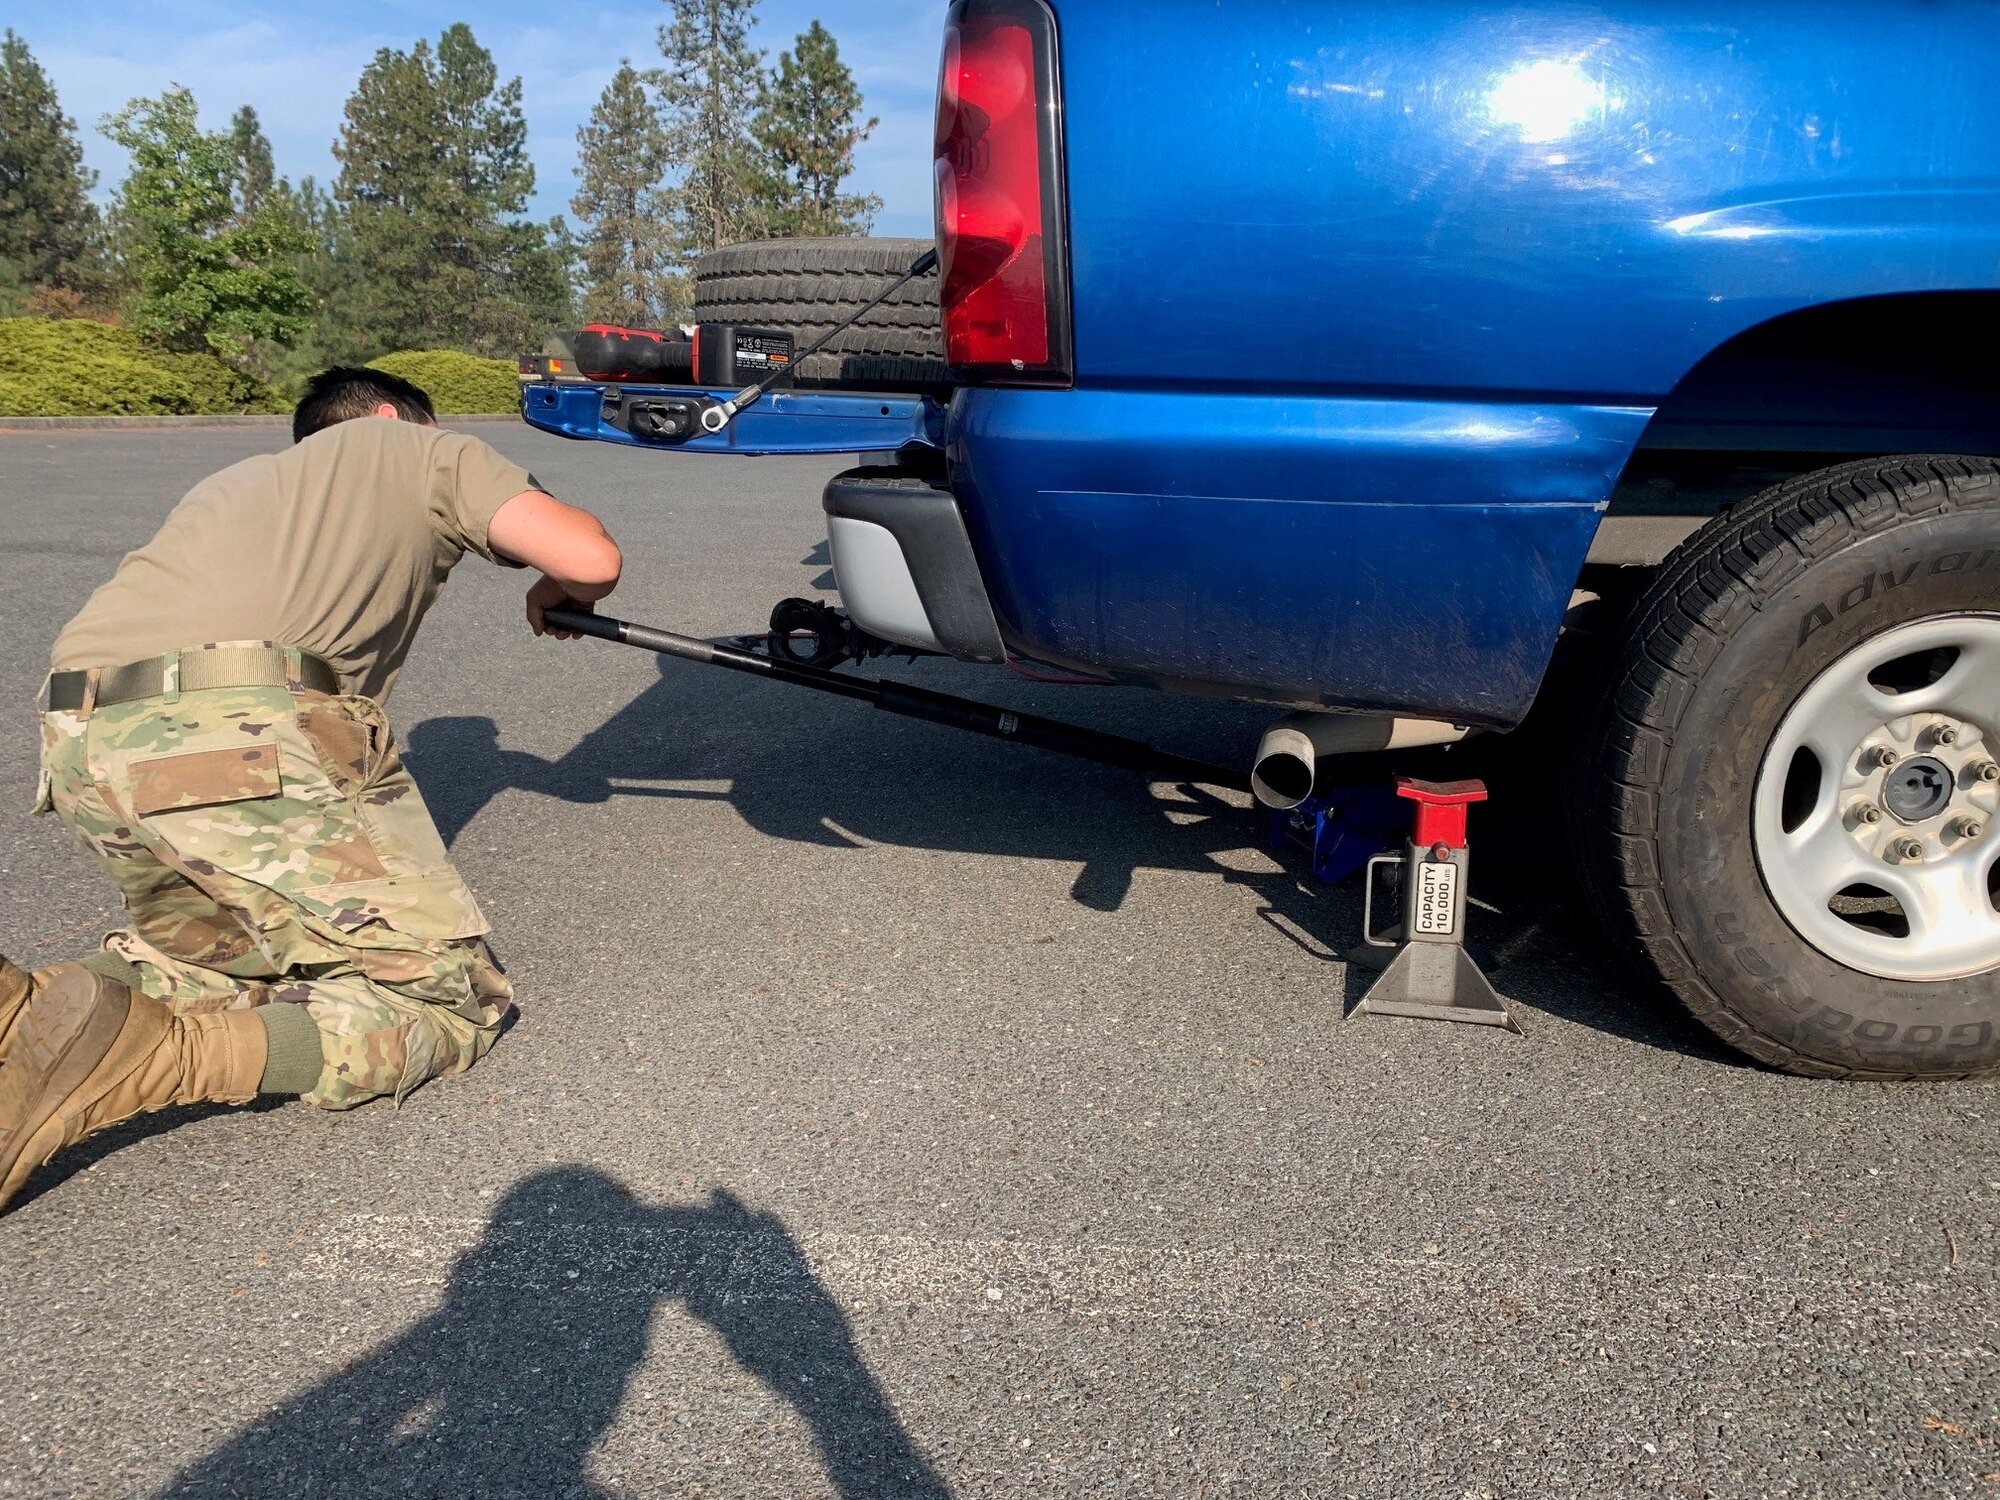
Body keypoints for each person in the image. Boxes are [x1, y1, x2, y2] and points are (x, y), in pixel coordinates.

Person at [0, 368, 621, 1212]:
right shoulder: (413, 445)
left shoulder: (243, 481)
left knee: (224, 958)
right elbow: (588, 555)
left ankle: (22, 1014)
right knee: (447, 1002)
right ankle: (161, 1062)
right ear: (395, 415)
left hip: (81, 744)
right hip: (234, 731)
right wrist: (558, 588)